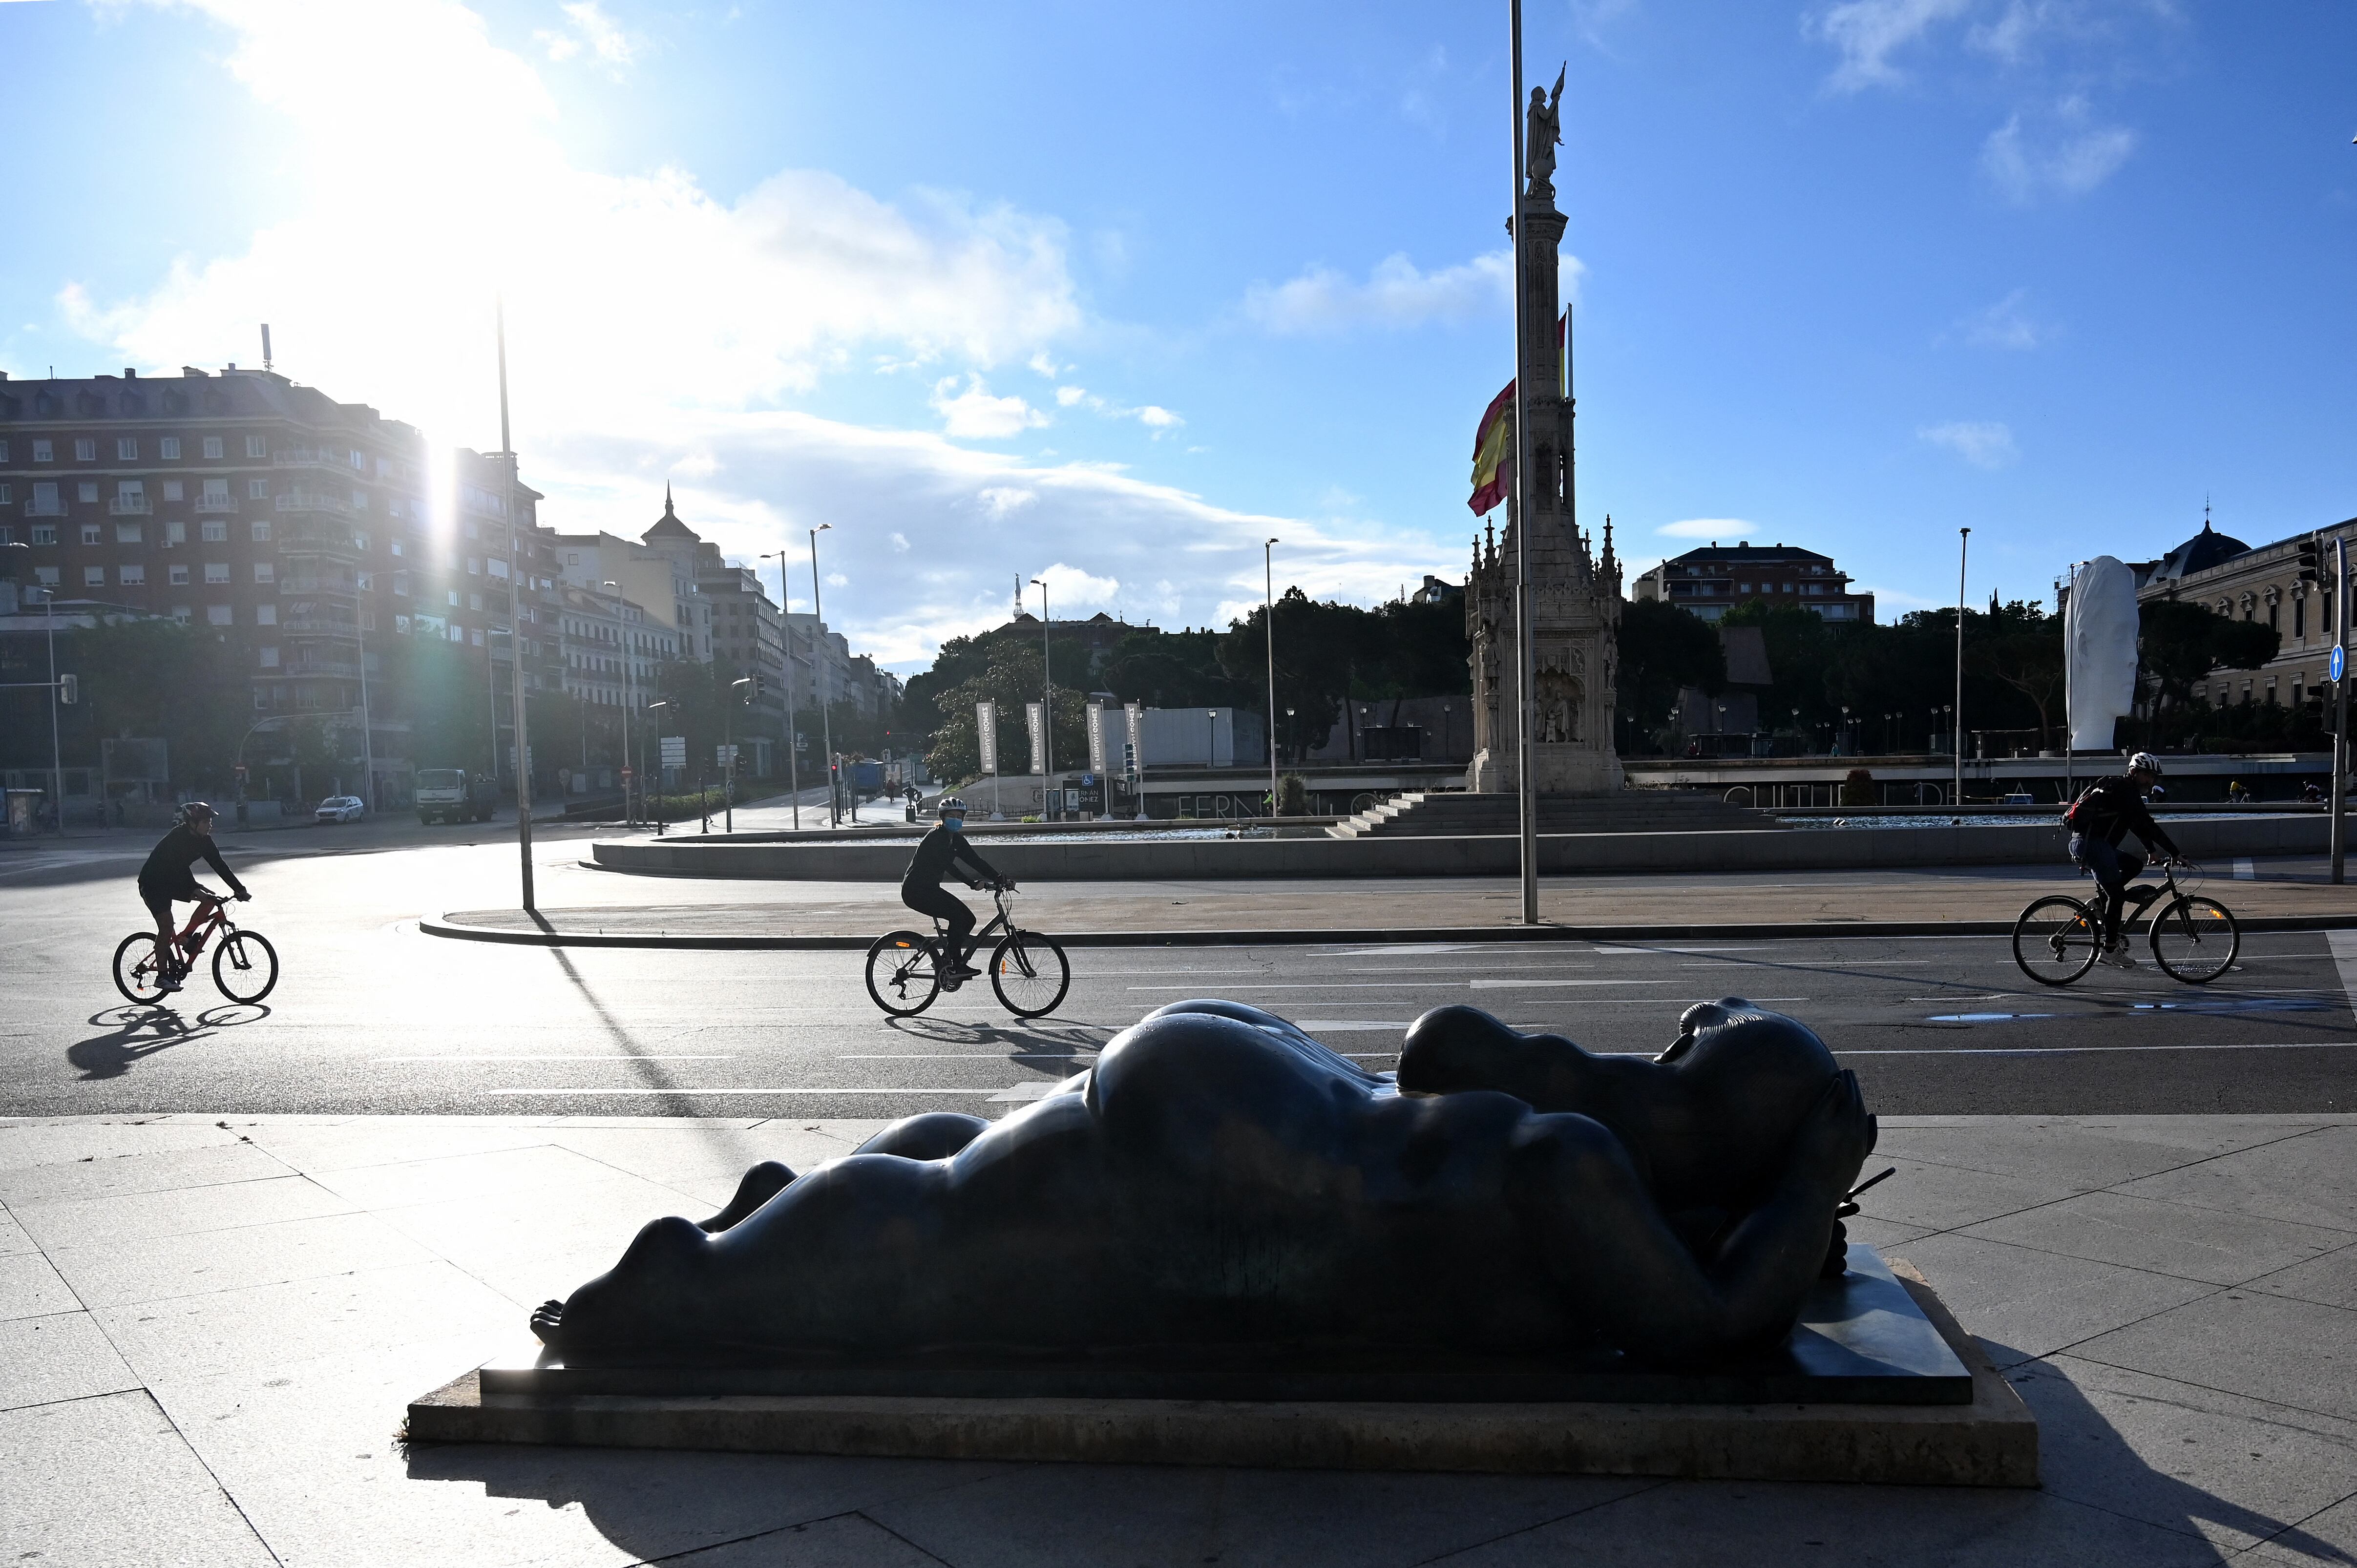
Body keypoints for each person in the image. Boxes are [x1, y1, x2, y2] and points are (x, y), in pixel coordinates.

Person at [528, 997, 1874, 1366]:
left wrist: (1769, 1217)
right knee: (954, 1249)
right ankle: (684, 1279)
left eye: (1686, 1060)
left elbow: (1680, 1264)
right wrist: (1808, 1185)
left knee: (986, 1184)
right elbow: (1703, 1328)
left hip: (1258, 1097)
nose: (1657, 1061)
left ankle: (779, 1203)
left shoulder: (1554, 1132)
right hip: (1239, 1168)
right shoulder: (1572, 1167)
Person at [2064, 752, 2180, 967]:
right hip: (2094, 845)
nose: (2151, 782)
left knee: (2134, 865)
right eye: (2148, 776)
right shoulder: (2126, 790)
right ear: (2135, 773)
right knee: (2117, 896)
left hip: (2091, 844)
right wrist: (2175, 852)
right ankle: (2109, 950)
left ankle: (2100, 904)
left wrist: (2150, 850)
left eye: (2153, 778)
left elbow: (2136, 824)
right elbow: (2147, 823)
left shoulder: (2121, 789)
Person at [137, 802, 249, 992]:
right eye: (206, 822)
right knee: (166, 926)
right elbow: (174, 866)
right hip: (153, 883)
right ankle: (162, 977)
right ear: (192, 823)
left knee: (211, 900)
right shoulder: (178, 838)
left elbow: (219, 865)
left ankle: (186, 937)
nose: (210, 825)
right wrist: (193, 888)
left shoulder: (205, 841)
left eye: (210, 821)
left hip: (173, 879)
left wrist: (240, 889)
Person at [899, 795, 1005, 980]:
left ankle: (944, 961)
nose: (956, 819)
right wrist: (971, 883)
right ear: (943, 817)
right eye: (951, 816)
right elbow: (949, 866)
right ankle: (956, 965)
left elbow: (975, 861)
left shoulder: (955, 839)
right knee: (957, 916)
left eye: (959, 816)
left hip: (930, 889)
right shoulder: (936, 837)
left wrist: (999, 878)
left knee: (969, 919)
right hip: (915, 891)